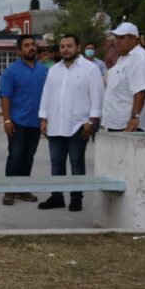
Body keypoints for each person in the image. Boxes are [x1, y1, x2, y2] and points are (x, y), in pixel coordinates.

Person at [38, 34, 104, 212]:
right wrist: (43, 119)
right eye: (62, 46)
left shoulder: (90, 69)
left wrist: (92, 121)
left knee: (77, 163)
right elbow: (46, 95)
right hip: (56, 125)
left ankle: (76, 198)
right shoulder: (54, 70)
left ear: (78, 48)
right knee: (56, 163)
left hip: (78, 125)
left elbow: (97, 96)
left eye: (69, 46)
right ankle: (57, 196)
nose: (65, 49)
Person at [0, 35, 48, 206]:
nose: (31, 48)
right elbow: (5, 96)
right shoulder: (11, 71)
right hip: (17, 121)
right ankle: (9, 190)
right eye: (26, 45)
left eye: (33, 45)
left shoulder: (44, 70)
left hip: (36, 122)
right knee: (15, 155)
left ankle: (23, 188)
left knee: (29, 157)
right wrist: (6, 121)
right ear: (19, 50)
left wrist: (45, 120)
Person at [102, 22, 145, 132]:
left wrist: (134, 118)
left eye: (122, 37)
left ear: (134, 39)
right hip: (118, 124)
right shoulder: (124, 57)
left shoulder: (140, 59)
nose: (117, 41)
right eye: (116, 37)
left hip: (130, 126)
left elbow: (141, 90)